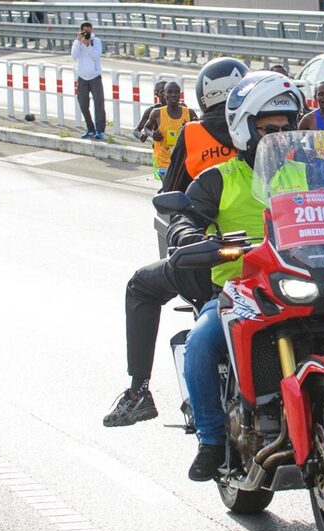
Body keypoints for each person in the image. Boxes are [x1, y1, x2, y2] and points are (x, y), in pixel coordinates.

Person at [169, 71, 324, 481]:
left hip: (302, 278)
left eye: (285, 128)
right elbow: (183, 218)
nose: (278, 136)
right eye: (268, 129)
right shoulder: (217, 178)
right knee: (200, 342)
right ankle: (211, 439)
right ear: (245, 130)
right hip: (239, 288)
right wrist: (190, 234)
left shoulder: (308, 173)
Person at [102, 58, 247, 428]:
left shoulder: (195, 132)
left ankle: (138, 391)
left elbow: (171, 197)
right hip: (280, 257)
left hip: (213, 261)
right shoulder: (277, 137)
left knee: (140, 286)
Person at [162, 58, 248, 194]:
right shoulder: (263, 126)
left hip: (205, 212)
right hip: (263, 211)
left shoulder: (192, 132)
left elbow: (171, 189)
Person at [144, 82, 198, 181]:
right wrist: (153, 135)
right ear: (164, 94)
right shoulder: (157, 113)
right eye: (170, 92)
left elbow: (199, 133)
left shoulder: (189, 113)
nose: (173, 95)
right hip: (163, 161)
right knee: (168, 188)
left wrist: (192, 127)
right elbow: (146, 128)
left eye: (176, 92)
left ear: (180, 95)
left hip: (182, 161)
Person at [71, 21, 106, 140]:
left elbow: (96, 56)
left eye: (89, 32)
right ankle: (90, 129)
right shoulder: (77, 42)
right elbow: (74, 56)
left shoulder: (96, 41)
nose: (88, 35)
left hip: (95, 77)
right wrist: (78, 42)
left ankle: (100, 130)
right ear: (81, 31)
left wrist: (88, 45)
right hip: (82, 77)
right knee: (83, 104)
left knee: (99, 103)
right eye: (85, 32)